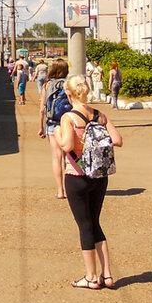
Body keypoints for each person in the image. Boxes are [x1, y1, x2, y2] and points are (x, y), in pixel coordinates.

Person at [55, 74, 123, 289]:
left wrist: (57, 133)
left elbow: (66, 146)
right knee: (95, 222)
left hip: (76, 177)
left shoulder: (69, 117)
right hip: (99, 177)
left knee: (84, 226)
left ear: (68, 94)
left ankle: (91, 277)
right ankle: (108, 275)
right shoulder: (100, 115)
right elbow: (118, 140)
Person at [40, 58, 70, 199]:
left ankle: (60, 191)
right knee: (69, 158)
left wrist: (41, 127)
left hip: (52, 124)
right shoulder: (69, 85)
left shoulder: (47, 85)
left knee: (56, 157)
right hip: (68, 124)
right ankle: (72, 190)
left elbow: (42, 109)